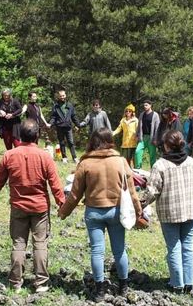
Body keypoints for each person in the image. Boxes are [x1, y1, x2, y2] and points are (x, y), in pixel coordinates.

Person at [58, 128, 142, 302]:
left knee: (97, 251)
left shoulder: (85, 163)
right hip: (116, 211)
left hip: (94, 212)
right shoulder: (120, 161)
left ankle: (99, 290)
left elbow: (75, 194)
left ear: (93, 141)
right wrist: (139, 212)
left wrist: (64, 212)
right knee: (119, 250)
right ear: (110, 140)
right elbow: (132, 191)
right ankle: (123, 287)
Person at [0, 119, 66, 292]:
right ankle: (41, 282)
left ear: (19, 135)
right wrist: (62, 204)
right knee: (40, 244)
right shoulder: (45, 156)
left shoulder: (9, 155)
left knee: (18, 243)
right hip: (40, 208)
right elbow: (55, 184)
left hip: (18, 207)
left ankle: (15, 282)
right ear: (37, 135)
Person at [146, 130, 193, 294]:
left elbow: (152, 192)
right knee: (188, 247)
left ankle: (177, 284)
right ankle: (188, 283)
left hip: (169, 213)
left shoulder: (160, 165)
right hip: (190, 212)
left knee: (174, 248)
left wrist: (140, 205)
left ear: (166, 146)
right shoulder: (192, 163)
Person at [49, 90, 82, 163]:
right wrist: (50, 124)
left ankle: (75, 157)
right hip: (59, 127)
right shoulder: (56, 106)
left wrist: (78, 125)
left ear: (65, 95)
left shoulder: (70, 105)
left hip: (68, 127)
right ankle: (64, 158)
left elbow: (74, 116)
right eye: (60, 96)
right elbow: (53, 117)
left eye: (63, 95)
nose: (62, 97)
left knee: (71, 142)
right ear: (58, 96)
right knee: (62, 142)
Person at [135, 100, 160, 169]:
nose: (145, 106)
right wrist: (137, 135)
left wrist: (155, 139)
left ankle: (153, 170)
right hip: (142, 137)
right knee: (137, 151)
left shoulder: (155, 115)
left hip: (151, 138)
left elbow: (157, 128)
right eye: (144, 105)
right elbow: (139, 126)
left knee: (152, 155)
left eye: (146, 105)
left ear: (150, 105)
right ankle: (138, 168)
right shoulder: (142, 114)